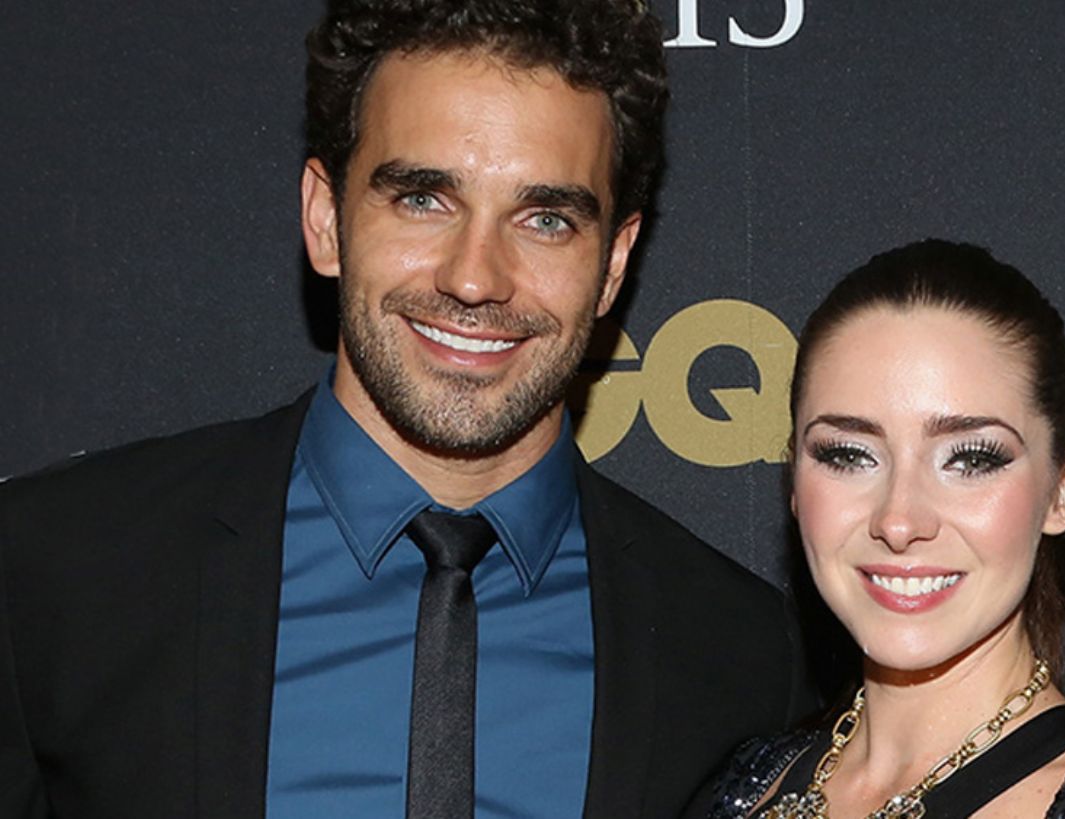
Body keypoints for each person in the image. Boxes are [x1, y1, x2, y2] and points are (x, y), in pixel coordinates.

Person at [0, 1, 812, 817]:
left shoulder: (744, 658)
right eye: (424, 199)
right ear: (325, 218)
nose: (474, 277)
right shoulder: (51, 573)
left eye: (545, 219)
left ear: (612, 264)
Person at [687, 240, 1065, 818]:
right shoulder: (743, 788)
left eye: (969, 460)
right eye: (849, 455)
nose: (899, 521)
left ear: (1063, 490)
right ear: (794, 478)